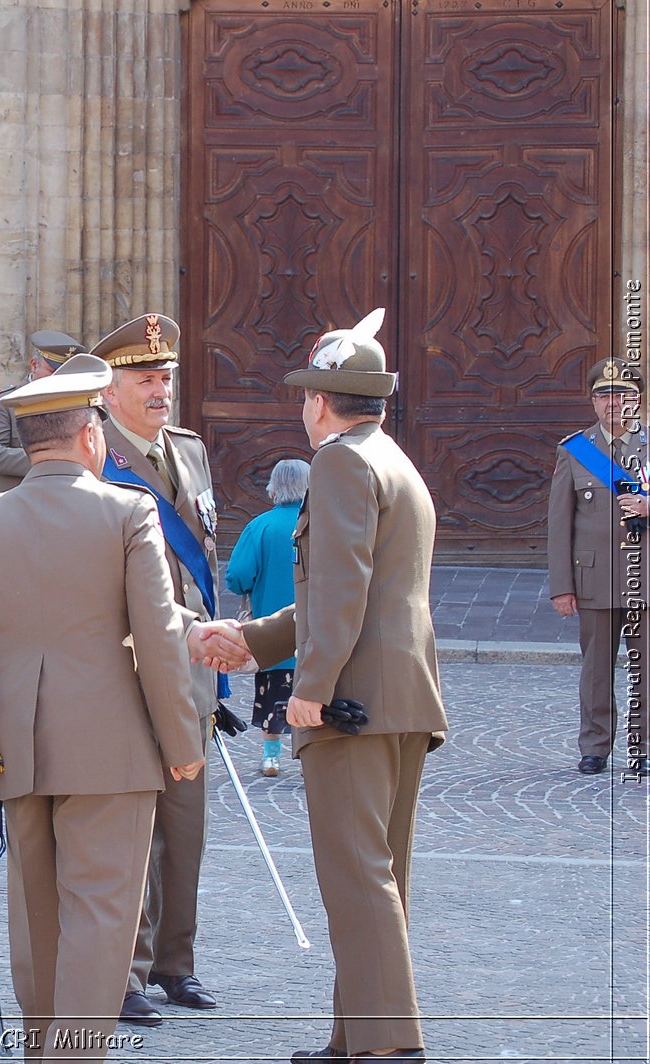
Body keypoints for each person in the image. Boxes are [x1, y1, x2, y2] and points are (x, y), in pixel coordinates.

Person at [0, 353, 219, 1059]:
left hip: (16, 745)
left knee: (37, 917)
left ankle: (41, 1050)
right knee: (101, 916)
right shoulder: (128, 513)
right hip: (111, 748)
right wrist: (184, 746)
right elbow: (157, 638)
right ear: (90, 434)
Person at [225, 308, 447, 1062]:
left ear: (321, 401)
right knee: (376, 879)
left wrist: (308, 688)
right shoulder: (389, 457)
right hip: (400, 695)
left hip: (354, 701)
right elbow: (339, 589)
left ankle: (390, 1048)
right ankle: (356, 1038)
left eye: (304, 395)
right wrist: (253, 641)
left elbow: (344, 589)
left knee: (357, 881)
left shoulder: (341, 463)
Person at [88, 312, 224, 1024]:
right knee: (134, 832)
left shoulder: (190, 450)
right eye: (144, 378)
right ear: (110, 389)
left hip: (191, 670)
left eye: (165, 376)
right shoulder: (94, 458)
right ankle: (126, 973)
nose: (159, 389)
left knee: (186, 827)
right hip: (131, 667)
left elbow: (203, 557)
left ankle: (178, 962)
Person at [547, 356, 648, 775]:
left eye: (622, 394)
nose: (613, 403)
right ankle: (594, 746)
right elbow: (559, 522)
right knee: (595, 670)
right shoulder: (576, 450)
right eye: (604, 395)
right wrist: (562, 586)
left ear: (637, 400)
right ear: (592, 402)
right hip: (595, 578)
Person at [225, 458, 310, 777]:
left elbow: (238, 576)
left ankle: (270, 756)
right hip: (315, 629)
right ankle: (307, 756)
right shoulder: (322, 522)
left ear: (274, 488)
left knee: (273, 693)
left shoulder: (259, 526)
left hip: (272, 634)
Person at [0, 331, 86, 494]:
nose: (58, 380)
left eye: (64, 374)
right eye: (52, 372)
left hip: (62, 500)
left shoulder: (77, 403)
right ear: (34, 365)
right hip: (14, 501)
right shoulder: (5, 401)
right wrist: (49, 459)